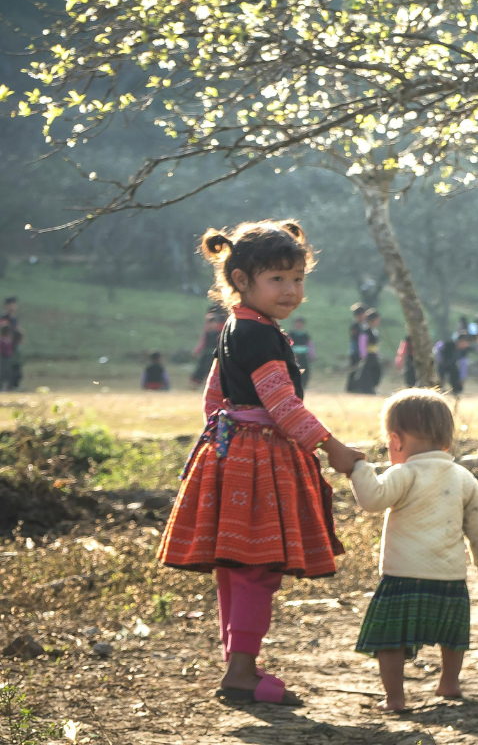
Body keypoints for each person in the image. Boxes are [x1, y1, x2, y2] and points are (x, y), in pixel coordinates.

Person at [156, 219, 360, 707]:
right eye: (277, 279)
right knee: (255, 568)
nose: (291, 291)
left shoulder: (238, 326)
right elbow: (284, 406)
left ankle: (238, 665)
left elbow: (213, 395)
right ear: (241, 280)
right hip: (257, 457)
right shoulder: (261, 336)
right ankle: (242, 672)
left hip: (231, 453)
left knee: (237, 565)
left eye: (297, 279)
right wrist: (332, 448)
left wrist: (223, 444)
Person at [349, 388, 478, 712]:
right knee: (451, 634)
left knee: (391, 640)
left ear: (396, 440)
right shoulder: (462, 477)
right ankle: (449, 683)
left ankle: (395, 699)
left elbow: (373, 500)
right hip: (449, 576)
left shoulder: (405, 473)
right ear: (447, 439)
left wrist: (359, 469)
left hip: (404, 575)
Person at [190, 307, 227, 389]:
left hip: (216, 355)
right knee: (200, 368)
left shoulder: (220, 333)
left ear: (216, 323)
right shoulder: (207, 333)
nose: (209, 325)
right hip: (206, 354)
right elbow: (202, 343)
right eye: (208, 323)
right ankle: (195, 385)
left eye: (212, 323)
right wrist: (197, 350)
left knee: (211, 369)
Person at [348, 309, 382, 394]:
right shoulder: (365, 331)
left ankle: (372, 387)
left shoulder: (375, 331)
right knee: (366, 373)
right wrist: (363, 355)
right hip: (367, 355)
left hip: (373, 354)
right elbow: (362, 343)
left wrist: (377, 353)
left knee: (377, 371)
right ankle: (365, 389)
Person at [1, 296, 23, 392]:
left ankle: (14, 385)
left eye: (13, 305)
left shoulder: (15, 318)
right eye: (10, 305)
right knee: (4, 366)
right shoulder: (3, 317)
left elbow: (18, 330)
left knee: (15, 365)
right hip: (4, 346)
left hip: (14, 345)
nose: (12, 307)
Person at [348, 303, 366, 368]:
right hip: (356, 352)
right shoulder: (355, 325)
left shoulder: (364, 325)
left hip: (362, 351)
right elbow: (355, 338)